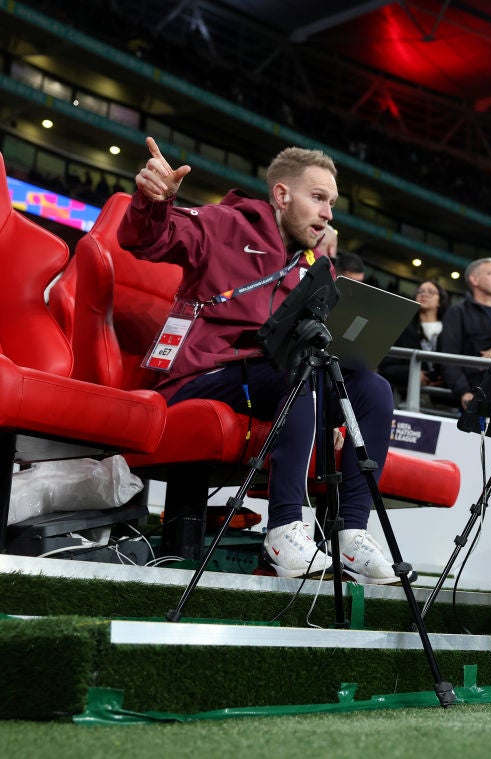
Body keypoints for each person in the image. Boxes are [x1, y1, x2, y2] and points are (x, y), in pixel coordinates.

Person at [118, 136, 399, 584]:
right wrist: (152, 202)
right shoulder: (224, 223)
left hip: (273, 380)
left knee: (371, 389)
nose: (328, 213)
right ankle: (285, 527)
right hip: (201, 376)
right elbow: (146, 240)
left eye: (332, 202)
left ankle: (351, 533)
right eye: (319, 198)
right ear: (282, 194)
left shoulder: (313, 266)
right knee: (300, 369)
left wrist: (337, 408)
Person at [438, 257, 491, 411]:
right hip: (472, 395)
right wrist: (463, 391)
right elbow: (449, 356)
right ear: (474, 279)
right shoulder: (457, 311)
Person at [378, 279, 448, 404]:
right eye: (420, 291)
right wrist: (415, 374)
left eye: (431, 292)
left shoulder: (451, 329)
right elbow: (386, 367)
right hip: (409, 399)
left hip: (445, 400)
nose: (424, 294)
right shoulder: (403, 328)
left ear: (440, 301)